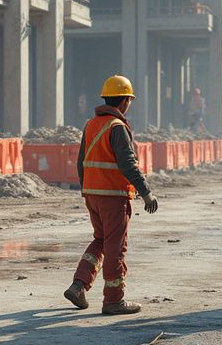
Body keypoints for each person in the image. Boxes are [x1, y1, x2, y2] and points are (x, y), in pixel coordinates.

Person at [63, 75, 159, 316]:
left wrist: (87, 188)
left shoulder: (91, 124)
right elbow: (128, 164)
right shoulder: (117, 127)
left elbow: (81, 161)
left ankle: (79, 285)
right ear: (125, 101)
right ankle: (114, 300)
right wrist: (145, 192)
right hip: (113, 196)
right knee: (116, 247)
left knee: (101, 241)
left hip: (93, 194)